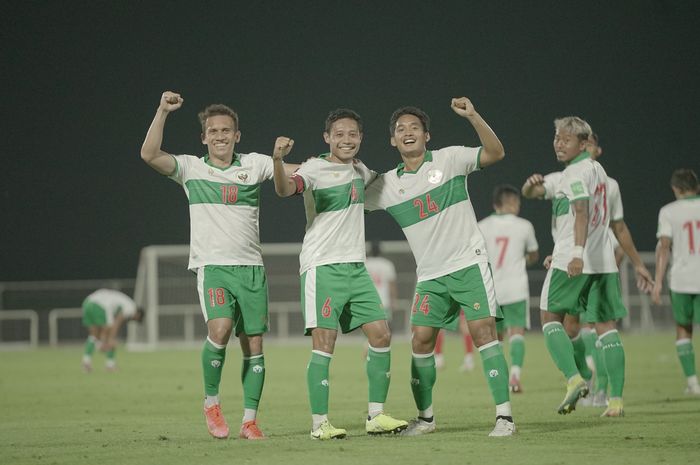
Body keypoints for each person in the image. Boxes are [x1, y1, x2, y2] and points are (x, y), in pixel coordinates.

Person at [140, 91, 297, 440]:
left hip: (251, 268)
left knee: (253, 345)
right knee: (221, 329)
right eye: (214, 131)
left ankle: (249, 421)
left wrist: (294, 159)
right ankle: (211, 403)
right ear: (204, 137)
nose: (221, 136)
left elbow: (297, 174)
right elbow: (149, 154)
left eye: (227, 130)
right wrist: (163, 111)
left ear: (237, 135)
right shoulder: (191, 169)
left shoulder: (255, 164)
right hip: (213, 267)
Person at [365, 97, 515, 437]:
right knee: (420, 340)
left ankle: (504, 418)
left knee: (483, 333)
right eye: (400, 129)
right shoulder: (387, 185)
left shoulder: (449, 159)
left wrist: (474, 115)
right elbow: (347, 197)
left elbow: (495, 153)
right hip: (430, 276)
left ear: (426, 135)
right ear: (392, 140)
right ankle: (426, 419)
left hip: (467, 263)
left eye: (414, 128)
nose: (407, 133)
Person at [272, 109, 408, 440]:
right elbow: (283, 189)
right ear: (327, 138)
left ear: (360, 138)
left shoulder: (361, 169)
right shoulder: (314, 168)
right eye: (339, 134)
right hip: (323, 266)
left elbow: (392, 184)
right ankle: (320, 424)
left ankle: (375, 415)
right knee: (325, 343)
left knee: (381, 335)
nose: (346, 140)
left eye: (352, 135)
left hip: (356, 268)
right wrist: (277, 159)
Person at [523, 130, 653, 411]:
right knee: (601, 329)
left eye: (566, 140)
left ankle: (576, 379)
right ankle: (613, 400)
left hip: (573, 259)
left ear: (588, 147)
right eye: (556, 139)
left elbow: (581, 214)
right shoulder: (607, 181)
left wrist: (575, 253)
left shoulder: (572, 174)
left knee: (549, 318)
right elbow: (617, 227)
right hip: (601, 261)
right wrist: (639, 265)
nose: (559, 144)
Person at [477, 185, 539, 393]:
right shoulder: (524, 226)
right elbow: (533, 254)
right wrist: (524, 260)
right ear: (511, 203)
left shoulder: (482, 226)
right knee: (517, 331)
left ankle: (500, 377)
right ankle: (515, 375)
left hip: (491, 288)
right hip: (516, 286)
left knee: (496, 337)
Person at [652, 168, 700, 395]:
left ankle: (693, 383)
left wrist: (658, 282)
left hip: (681, 279)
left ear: (675, 189)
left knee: (683, 328)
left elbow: (664, 248)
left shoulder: (669, 212)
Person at [81, 288, 144, 372]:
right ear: (138, 314)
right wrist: (110, 338)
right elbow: (117, 321)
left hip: (88, 303)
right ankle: (110, 364)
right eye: (136, 319)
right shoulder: (131, 307)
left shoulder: (123, 300)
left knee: (93, 336)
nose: (133, 320)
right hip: (100, 306)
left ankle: (86, 361)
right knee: (111, 338)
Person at [365, 240, 399, 319]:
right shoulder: (387, 264)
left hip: (368, 301)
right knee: (385, 327)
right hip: (384, 301)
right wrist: (394, 301)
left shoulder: (365, 264)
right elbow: (392, 285)